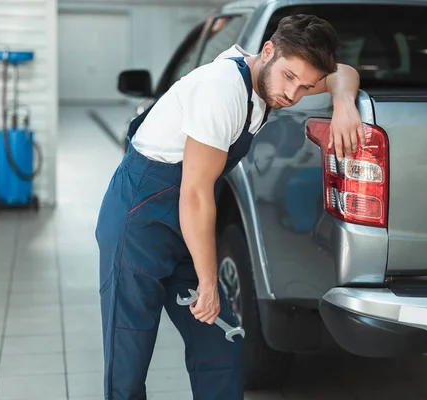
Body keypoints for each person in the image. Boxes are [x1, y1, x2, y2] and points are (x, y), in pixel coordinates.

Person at [95, 14, 364, 400]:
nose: (293, 95)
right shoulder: (223, 90)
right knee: (129, 352)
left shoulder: (271, 78)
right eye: (289, 78)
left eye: (305, 86)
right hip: (139, 219)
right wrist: (208, 282)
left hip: (186, 221)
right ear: (268, 50)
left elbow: (344, 73)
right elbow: (196, 194)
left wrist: (344, 105)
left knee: (221, 342)